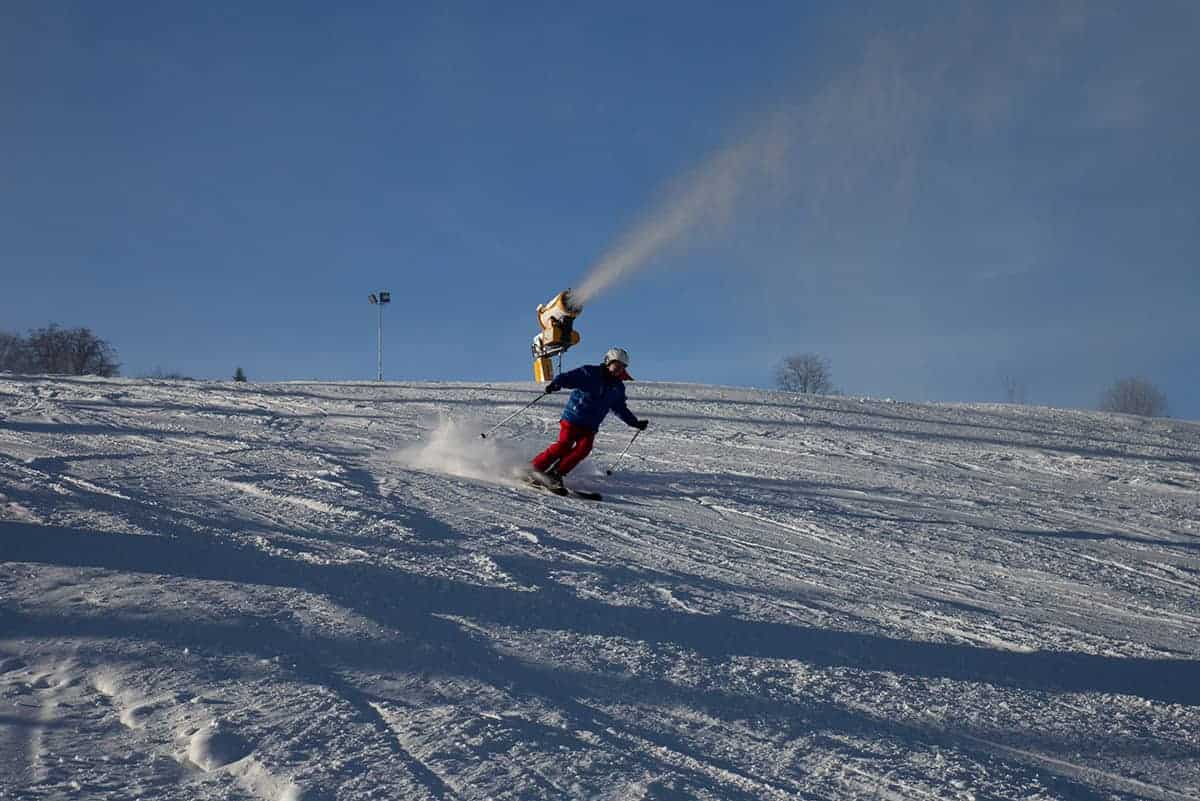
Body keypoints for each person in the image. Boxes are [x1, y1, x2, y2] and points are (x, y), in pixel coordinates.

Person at [530, 347, 648, 490]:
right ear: (608, 362)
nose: (619, 370)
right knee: (564, 445)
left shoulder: (617, 387)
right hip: (573, 418)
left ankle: (555, 474)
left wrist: (634, 422)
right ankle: (534, 468)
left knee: (583, 449)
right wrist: (556, 383)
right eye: (616, 366)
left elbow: (620, 408)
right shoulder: (590, 373)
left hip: (590, 426)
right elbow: (569, 377)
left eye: (622, 368)